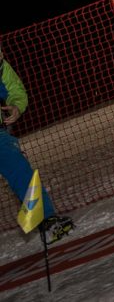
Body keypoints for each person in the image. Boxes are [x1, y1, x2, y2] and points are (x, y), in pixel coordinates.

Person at [1, 49, 75, 243]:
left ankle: (46, 220)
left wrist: (16, 106)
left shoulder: (1, 67)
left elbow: (16, 91)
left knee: (20, 169)